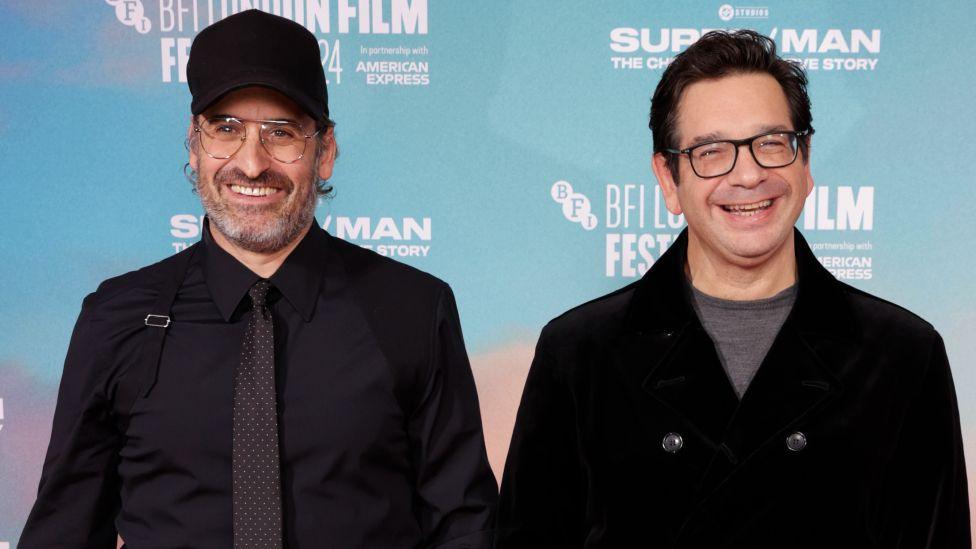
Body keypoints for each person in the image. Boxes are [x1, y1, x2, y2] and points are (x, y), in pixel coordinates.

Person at [21, 9, 496, 548]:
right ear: (195, 147)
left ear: (325, 152)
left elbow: (465, 527)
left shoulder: (411, 308)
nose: (251, 163)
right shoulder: (117, 317)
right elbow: (63, 532)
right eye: (226, 129)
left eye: (282, 132)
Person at [495, 30, 969, 548]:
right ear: (668, 179)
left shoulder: (902, 355)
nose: (748, 175)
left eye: (771, 144)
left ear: (805, 161)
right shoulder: (579, 353)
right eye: (711, 151)